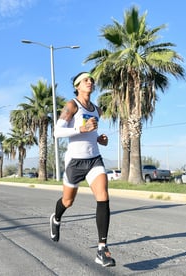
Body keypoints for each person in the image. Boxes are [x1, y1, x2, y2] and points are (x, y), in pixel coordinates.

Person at [49, 72, 115, 267]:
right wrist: (81, 129)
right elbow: (56, 132)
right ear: (77, 85)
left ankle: (102, 249)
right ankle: (57, 217)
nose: (90, 82)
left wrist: (99, 139)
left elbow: (91, 134)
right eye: (86, 80)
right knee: (67, 201)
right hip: (75, 162)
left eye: (92, 80)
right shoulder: (72, 105)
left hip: (94, 159)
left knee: (103, 195)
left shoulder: (96, 109)